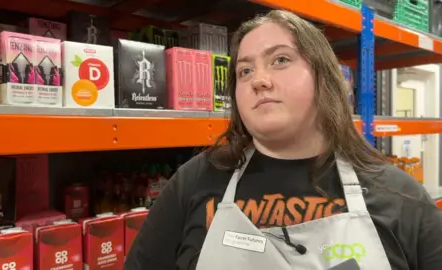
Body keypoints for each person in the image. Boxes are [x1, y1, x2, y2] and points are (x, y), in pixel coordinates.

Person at [125, 10, 442, 270]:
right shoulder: (193, 182)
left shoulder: (401, 198)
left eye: (280, 60)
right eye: (245, 71)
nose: (259, 81)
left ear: (324, 78)